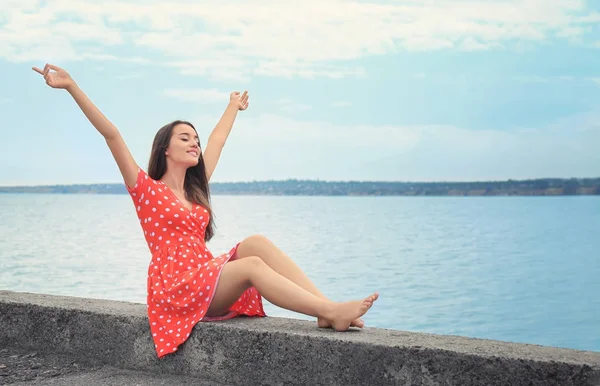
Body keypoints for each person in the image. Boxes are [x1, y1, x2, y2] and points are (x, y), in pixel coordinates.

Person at [32, 63, 379, 358]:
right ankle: (328, 311)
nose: (194, 143)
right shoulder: (146, 190)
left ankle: (325, 308)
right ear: (165, 149)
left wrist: (232, 106)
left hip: (203, 273)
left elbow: (217, 141)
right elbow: (112, 135)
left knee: (255, 243)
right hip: (177, 286)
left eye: (194, 139)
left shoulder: (195, 190)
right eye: (185, 138)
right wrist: (71, 86)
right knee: (252, 266)